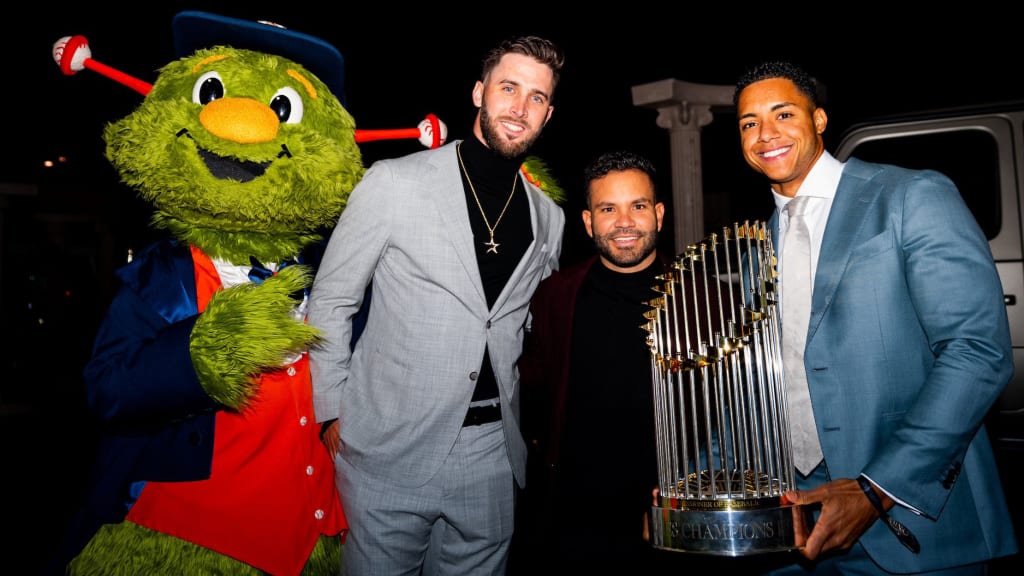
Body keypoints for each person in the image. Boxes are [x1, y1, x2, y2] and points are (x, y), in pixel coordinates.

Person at [733, 60, 1018, 574]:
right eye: (749, 123)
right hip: (795, 528)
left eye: (782, 114)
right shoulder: (757, 248)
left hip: (911, 523)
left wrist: (876, 490)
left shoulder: (910, 196)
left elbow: (978, 352)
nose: (764, 134)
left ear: (819, 119)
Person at [308, 35, 566, 575]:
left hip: (493, 455)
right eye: (509, 88)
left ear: (548, 113)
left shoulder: (549, 219)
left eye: (536, 97)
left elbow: (532, 327)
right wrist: (331, 412)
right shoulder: (394, 182)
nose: (520, 107)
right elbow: (332, 299)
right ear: (479, 92)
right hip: (386, 451)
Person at [515, 149, 690, 571]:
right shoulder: (555, 296)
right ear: (589, 221)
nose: (624, 222)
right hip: (574, 523)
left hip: (672, 517)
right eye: (608, 208)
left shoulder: (701, 299)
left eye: (638, 206)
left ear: (659, 214)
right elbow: (532, 388)